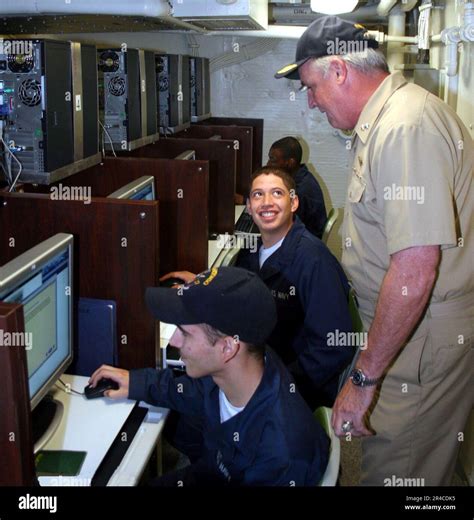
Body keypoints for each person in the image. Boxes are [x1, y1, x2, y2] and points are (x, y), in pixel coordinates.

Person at [275, 15, 473, 486]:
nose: (310, 101)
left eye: (311, 87)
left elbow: (415, 271)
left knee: (399, 470)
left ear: (339, 70)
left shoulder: (406, 128)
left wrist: (363, 381)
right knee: (422, 460)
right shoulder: (387, 121)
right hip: (409, 329)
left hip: (421, 337)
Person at [89, 266, 330, 486]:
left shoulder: (281, 454)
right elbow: (192, 390)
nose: (174, 340)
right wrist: (137, 383)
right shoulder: (248, 366)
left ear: (227, 348)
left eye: (184, 332)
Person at [163, 167, 354, 411]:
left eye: (277, 193)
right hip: (263, 361)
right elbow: (247, 286)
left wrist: (273, 386)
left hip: (287, 387)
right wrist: (204, 282)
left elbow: (335, 347)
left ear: (294, 202)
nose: (267, 203)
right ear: (249, 207)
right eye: (258, 195)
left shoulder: (314, 262)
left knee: (182, 406)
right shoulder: (258, 248)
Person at [267, 136, 327, 239]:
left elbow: (284, 227)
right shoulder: (301, 177)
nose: (268, 164)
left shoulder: (300, 191)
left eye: (273, 160)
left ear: (290, 163)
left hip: (303, 245)